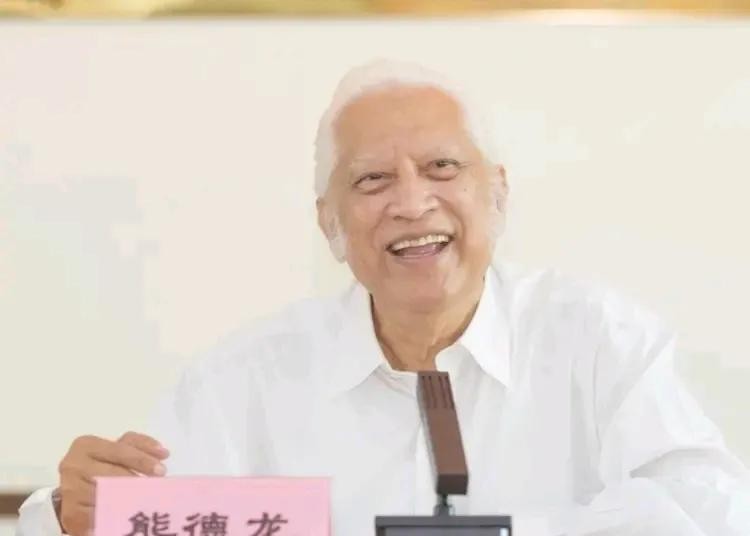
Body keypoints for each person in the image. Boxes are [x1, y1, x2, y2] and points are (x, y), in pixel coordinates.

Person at [17, 60, 750, 536]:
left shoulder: (600, 339)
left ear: (497, 193)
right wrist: (72, 513)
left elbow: (709, 508)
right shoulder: (242, 379)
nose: (411, 202)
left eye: (442, 167)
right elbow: (136, 514)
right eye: (372, 180)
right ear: (329, 224)